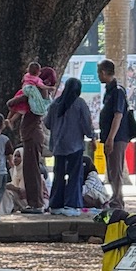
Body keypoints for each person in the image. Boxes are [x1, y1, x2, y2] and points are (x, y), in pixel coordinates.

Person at [43, 77, 96, 215]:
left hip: (58, 146)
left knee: (58, 174)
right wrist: (92, 137)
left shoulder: (55, 104)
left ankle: (55, 204)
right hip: (75, 145)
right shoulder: (80, 104)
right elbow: (86, 125)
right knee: (74, 175)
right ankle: (71, 205)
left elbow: (47, 123)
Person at [7, 63, 53, 212]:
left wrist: (22, 94)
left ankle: (36, 204)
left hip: (31, 135)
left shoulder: (33, 94)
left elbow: (10, 104)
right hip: (33, 135)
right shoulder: (41, 95)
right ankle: (34, 203)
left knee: (31, 172)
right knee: (31, 171)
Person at [97, 59, 131, 209]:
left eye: (99, 72)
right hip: (108, 136)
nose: (98, 75)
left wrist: (111, 138)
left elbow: (118, 115)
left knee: (115, 169)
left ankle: (117, 200)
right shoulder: (109, 91)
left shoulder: (117, 91)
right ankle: (116, 197)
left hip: (117, 137)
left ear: (104, 72)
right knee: (111, 169)